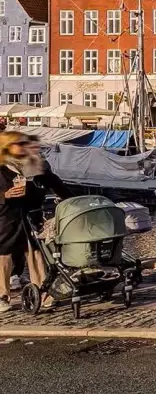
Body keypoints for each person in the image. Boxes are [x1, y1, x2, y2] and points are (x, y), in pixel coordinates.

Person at [0, 132, 71, 313]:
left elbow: (54, 183)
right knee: (4, 255)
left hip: (32, 214)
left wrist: (71, 199)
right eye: (19, 145)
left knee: (36, 253)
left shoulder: (34, 164)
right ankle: (2, 296)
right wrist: (4, 195)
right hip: (7, 216)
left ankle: (43, 292)